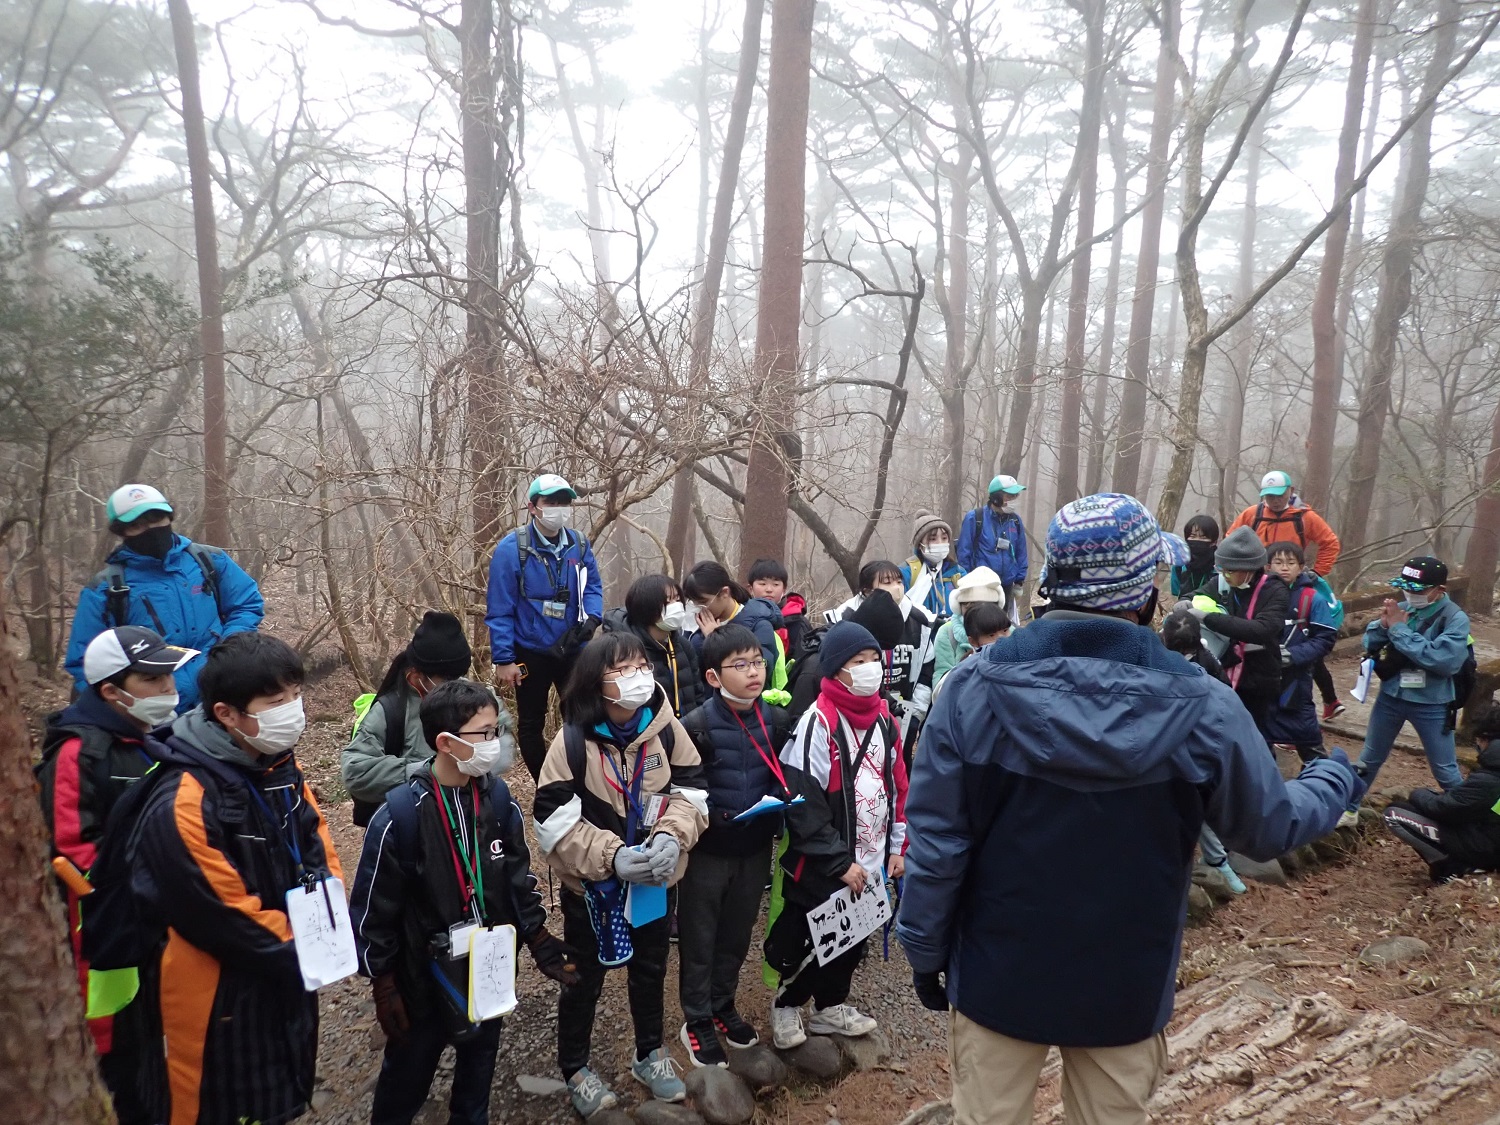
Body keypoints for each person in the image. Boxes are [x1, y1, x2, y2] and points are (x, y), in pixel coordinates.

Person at [898, 493, 1363, 1125]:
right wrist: (1334, 776)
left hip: (999, 974)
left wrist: (925, 950)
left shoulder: (972, 691)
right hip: (1126, 980)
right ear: (1145, 593)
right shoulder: (1202, 705)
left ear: (1050, 584)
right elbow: (1267, 826)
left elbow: (937, 844)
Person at [130, 631, 341, 1125]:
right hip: (213, 999)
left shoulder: (280, 766)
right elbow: (221, 916)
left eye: (295, 695)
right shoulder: (183, 799)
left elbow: (318, 842)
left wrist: (327, 917)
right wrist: (314, 946)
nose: (292, 709)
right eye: (275, 701)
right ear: (225, 713)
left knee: (277, 1096)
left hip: (282, 977)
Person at [349, 680, 580, 1125]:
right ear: (446, 742)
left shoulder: (497, 799)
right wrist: (383, 981)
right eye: (486, 733)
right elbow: (373, 908)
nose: (495, 744)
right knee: (405, 1084)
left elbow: (517, 876)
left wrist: (537, 936)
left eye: (498, 732)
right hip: (423, 978)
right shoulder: (401, 815)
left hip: (489, 967)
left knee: (477, 1079)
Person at [532, 632, 708, 1117]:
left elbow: (692, 791)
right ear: (596, 682)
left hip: (655, 878)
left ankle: (648, 1053)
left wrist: (672, 837)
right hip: (591, 887)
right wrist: (612, 856)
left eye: (640, 666)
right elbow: (551, 820)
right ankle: (576, 1068)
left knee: (651, 968)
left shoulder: (666, 730)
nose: (637, 677)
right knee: (583, 976)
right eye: (622, 669)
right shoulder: (570, 742)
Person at [36, 626, 196, 1124]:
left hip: (156, 927)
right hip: (103, 936)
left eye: (170, 676)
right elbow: (72, 851)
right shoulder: (79, 751)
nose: (170, 689)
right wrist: (144, 886)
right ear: (111, 690)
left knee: (155, 1043)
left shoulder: (150, 740)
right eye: (154, 680)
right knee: (116, 1054)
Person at [764, 620, 907, 1050]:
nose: (869, 669)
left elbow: (898, 784)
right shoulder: (817, 722)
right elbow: (802, 803)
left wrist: (898, 847)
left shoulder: (885, 719)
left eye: (872, 661)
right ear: (835, 670)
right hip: (824, 862)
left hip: (873, 856)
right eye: (856, 663)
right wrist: (838, 862)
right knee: (804, 935)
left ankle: (829, 1008)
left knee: (853, 938)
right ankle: (787, 1005)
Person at [676, 625, 793, 1067]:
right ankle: (697, 1020)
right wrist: (712, 818)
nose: (753, 673)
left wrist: (784, 806)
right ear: (712, 677)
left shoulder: (777, 720)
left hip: (754, 848)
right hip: (707, 852)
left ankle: (722, 1006)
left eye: (758, 663)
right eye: (739, 665)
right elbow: (681, 789)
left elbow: (786, 776)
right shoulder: (696, 725)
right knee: (700, 936)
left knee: (737, 935)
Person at [63, 483, 264, 710]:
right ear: (122, 532)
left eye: (156, 519)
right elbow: (85, 663)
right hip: (154, 712)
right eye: (137, 525)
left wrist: (226, 652)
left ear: (169, 517)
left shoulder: (209, 561)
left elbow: (246, 604)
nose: (150, 530)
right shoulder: (105, 590)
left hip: (220, 693)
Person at [343, 611, 515, 827]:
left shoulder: (478, 700)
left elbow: (504, 744)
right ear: (416, 677)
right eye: (446, 679)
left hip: (472, 822)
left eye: (459, 676)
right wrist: (427, 771)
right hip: (417, 826)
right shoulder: (390, 711)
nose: (457, 685)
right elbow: (356, 771)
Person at [1341, 556, 1473, 830]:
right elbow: (1370, 642)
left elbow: (1443, 660)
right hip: (1392, 696)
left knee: (1445, 769)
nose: (1410, 595)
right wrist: (1381, 626)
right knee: (1369, 758)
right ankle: (1348, 808)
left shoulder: (1455, 619)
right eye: (1407, 588)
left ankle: (1473, 822)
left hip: (1432, 703)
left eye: (1418, 590)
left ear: (1440, 590)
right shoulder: (1402, 609)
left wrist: (1399, 630)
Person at [486, 474, 604, 781]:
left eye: (564, 502)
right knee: (530, 723)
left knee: (580, 716)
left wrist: (592, 619)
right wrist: (504, 659)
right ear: (533, 507)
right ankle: (547, 784)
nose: (558, 509)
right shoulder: (511, 550)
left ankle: (582, 780)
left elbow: (592, 585)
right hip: (531, 651)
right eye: (550, 502)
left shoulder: (578, 543)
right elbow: (499, 608)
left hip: (573, 647)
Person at [1227, 469, 1346, 719]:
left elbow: (1330, 542)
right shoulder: (1253, 514)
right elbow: (1231, 539)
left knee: (1295, 641)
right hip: (1257, 583)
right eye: (1269, 496)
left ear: (1291, 492)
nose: (1275, 501)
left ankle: (1312, 704)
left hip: (1291, 583)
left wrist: (1317, 573)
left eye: (1279, 495)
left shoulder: (1304, 517)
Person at [1159, 609, 1246, 896]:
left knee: (1200, 799)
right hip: (1162, 739)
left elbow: (1224, 697)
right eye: (1177, 651)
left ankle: (1217, 860)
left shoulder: (1208, 662)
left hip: (1196, 740)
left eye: (1188, 651)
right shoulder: (1154, 657)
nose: (1183, 657)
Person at [1187, 527, 1290, 740]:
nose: (1224, 575)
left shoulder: (1275, 591)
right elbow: (1196, 595)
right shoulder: (1223, 583)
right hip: (1223, 673)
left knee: (1255, 738)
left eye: (1230, 571)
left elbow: (1262, 630)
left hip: (1258, 680)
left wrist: (1207, 617)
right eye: (1221, 569)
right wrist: (1185, 604)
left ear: (1250, 568)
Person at [1383, 701, 1500, 882]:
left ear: (1485, 739)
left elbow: (1444, 809)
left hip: (1487, 848)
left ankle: (1451, 867)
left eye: (1477, 741)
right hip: (1489, 835)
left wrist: (1418, 793)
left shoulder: (1490, 778)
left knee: (1395, 813)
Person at [1264, 542, 1337, 764]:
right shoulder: (1260, 594)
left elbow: (1325, 639)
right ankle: (1265, 785)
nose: (1284, 568)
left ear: (1301, 567)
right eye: (1278, 562)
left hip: (1296, 680)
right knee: (1260, 737)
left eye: (1290, 563)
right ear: (1267, 566)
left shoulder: (1312, 598)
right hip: (1263, 679)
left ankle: (1321, 781)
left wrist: (1294, 655)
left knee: (1306, 735)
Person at [790, 586, 906, 720]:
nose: (871, 665)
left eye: (875, 658)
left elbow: (874, 691)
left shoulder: (867, 661)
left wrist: (890, 706)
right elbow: (797, 720)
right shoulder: (816, 667)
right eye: (861, 660)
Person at [602, 574, 704, 718]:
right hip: (649, 733)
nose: (676, 605)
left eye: (677, 599)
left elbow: (698, 693)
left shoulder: (683, 646)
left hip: (686, 733)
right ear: (646, 607)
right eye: (668, 601)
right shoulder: (625, 652)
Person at [682, 560, 782, 681]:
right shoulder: (695, 625)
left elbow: (761, 671)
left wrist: (716, 640)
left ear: (724, 593)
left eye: (703, 602)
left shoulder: (759, 624)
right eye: (694, 603)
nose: (698, 608)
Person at [956, 476, 1028, 612]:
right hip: (981, 587)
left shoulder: (1015, 521)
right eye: (1009, 496)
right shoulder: (975, 518)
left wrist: (1019, 581)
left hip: (1007, 585)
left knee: (1002, 627)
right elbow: (964, 553)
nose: (1014, 500)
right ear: (996, 497)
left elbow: (1021, 551)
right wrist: (967, 583)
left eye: (1015, 496)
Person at [932, 566, 1006, 685]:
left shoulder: (1009, 632)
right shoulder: (947, 632)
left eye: (985, 606)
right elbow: (941, 677)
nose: (978, 613)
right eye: (969, 606)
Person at [932, 602, 1010, 698]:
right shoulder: (959, 678)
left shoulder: (1023, 664)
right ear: (972, 641)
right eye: (991, 635)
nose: (1001, 639)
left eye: (1005, 630)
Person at [901, 511, 966, 621]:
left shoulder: (958, 573)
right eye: (933, 539)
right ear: (920, 543)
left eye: (944, 538)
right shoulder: (906, 573)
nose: (940, 543)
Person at [748, 557, 809, 662]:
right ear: (750, 589)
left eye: (776, 584)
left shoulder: (796, 621)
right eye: (762, 584)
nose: (769, 590)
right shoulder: (742, 617)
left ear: (784, 590)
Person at [1170, 514, 1220, 598]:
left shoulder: (1219, 566)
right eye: (1192, 536)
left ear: (1214, 542)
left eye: (1203, 538)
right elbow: (1176, 593)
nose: (1197, 540)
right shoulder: (1179, 565)